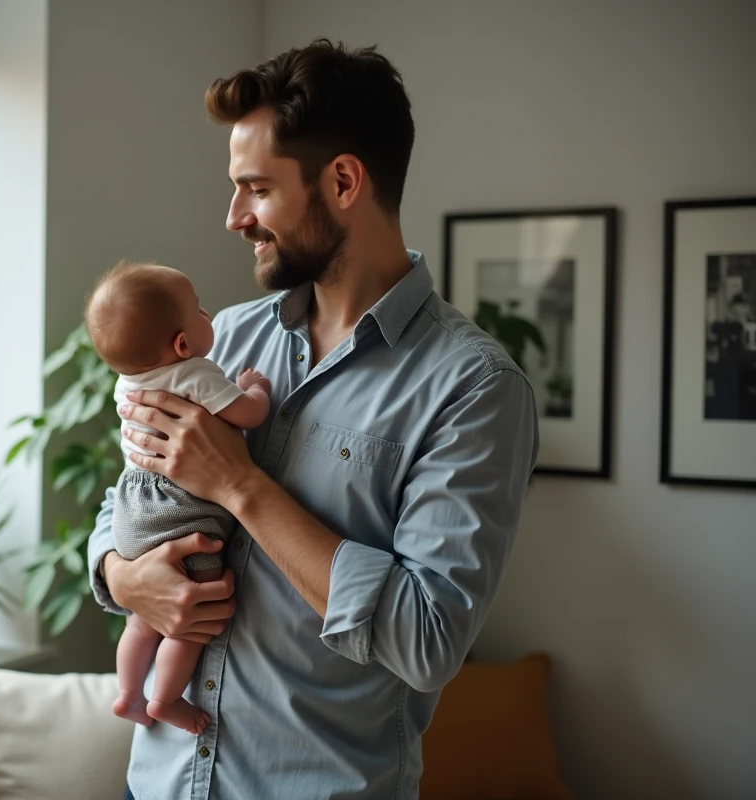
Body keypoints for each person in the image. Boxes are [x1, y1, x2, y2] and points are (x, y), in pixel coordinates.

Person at [87, 39, 539, 799]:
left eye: (255, 188)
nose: (233, 217)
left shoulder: (474, 389)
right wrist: (124, 575)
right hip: (158, 785)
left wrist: (240, 486)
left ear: (342, 181)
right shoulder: (221, 338)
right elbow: (123, 502)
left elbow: (428, 640)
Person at [84, 261, 272, 735]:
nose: (210, 314)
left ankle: (129, 694)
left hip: (131, 512)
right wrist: (255, 388)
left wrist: (123, 576)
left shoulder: (126, 382)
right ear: (182, 344)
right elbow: (247, 414)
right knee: (188, 624)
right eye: (199, 311)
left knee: (142, 620)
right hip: (181, 514)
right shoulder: (194, 373)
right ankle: (165, 701)